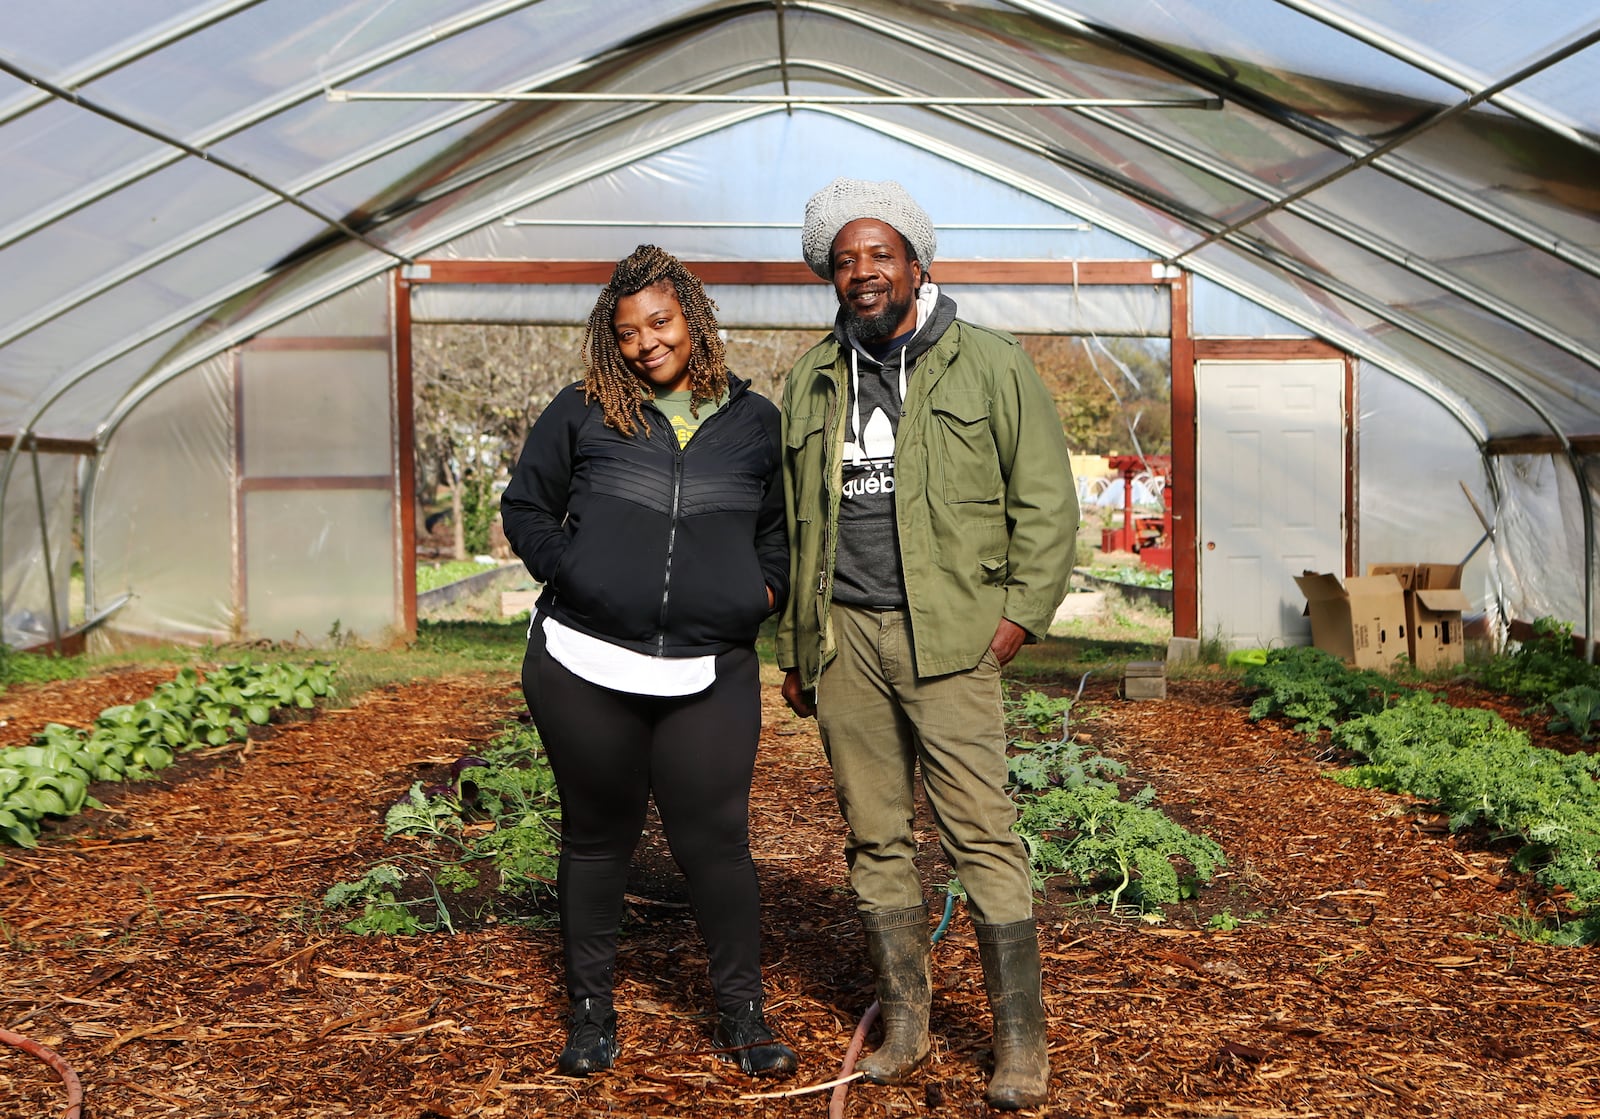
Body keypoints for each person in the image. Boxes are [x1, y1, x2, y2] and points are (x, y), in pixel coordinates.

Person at [776, 178, 1078, 1110]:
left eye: (878, 255)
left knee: (981, 833)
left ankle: (1018, 1044)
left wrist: (1013, 622)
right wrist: (797, 646)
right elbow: (792, 520)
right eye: (844, 259)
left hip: (950, 636)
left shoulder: (988, 364)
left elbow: (1046, 502)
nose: (861, 272)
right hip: (848, 637)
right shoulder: (814, 375)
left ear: (916, 262)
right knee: (874, 833)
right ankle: (907, 1021)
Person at [501, 244, 797, 1080]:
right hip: (583, 660)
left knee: (716, 844)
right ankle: (591, 1014)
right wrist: (573, 568)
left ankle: (743, 1016)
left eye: (659, 323)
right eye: (626, 331)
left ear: (693, 320)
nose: (645, 344)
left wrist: (759, 593)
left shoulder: (755, 424)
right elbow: (525, 505)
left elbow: (775, 533)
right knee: (599, 840)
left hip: (708, 668)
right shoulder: (582, 411)